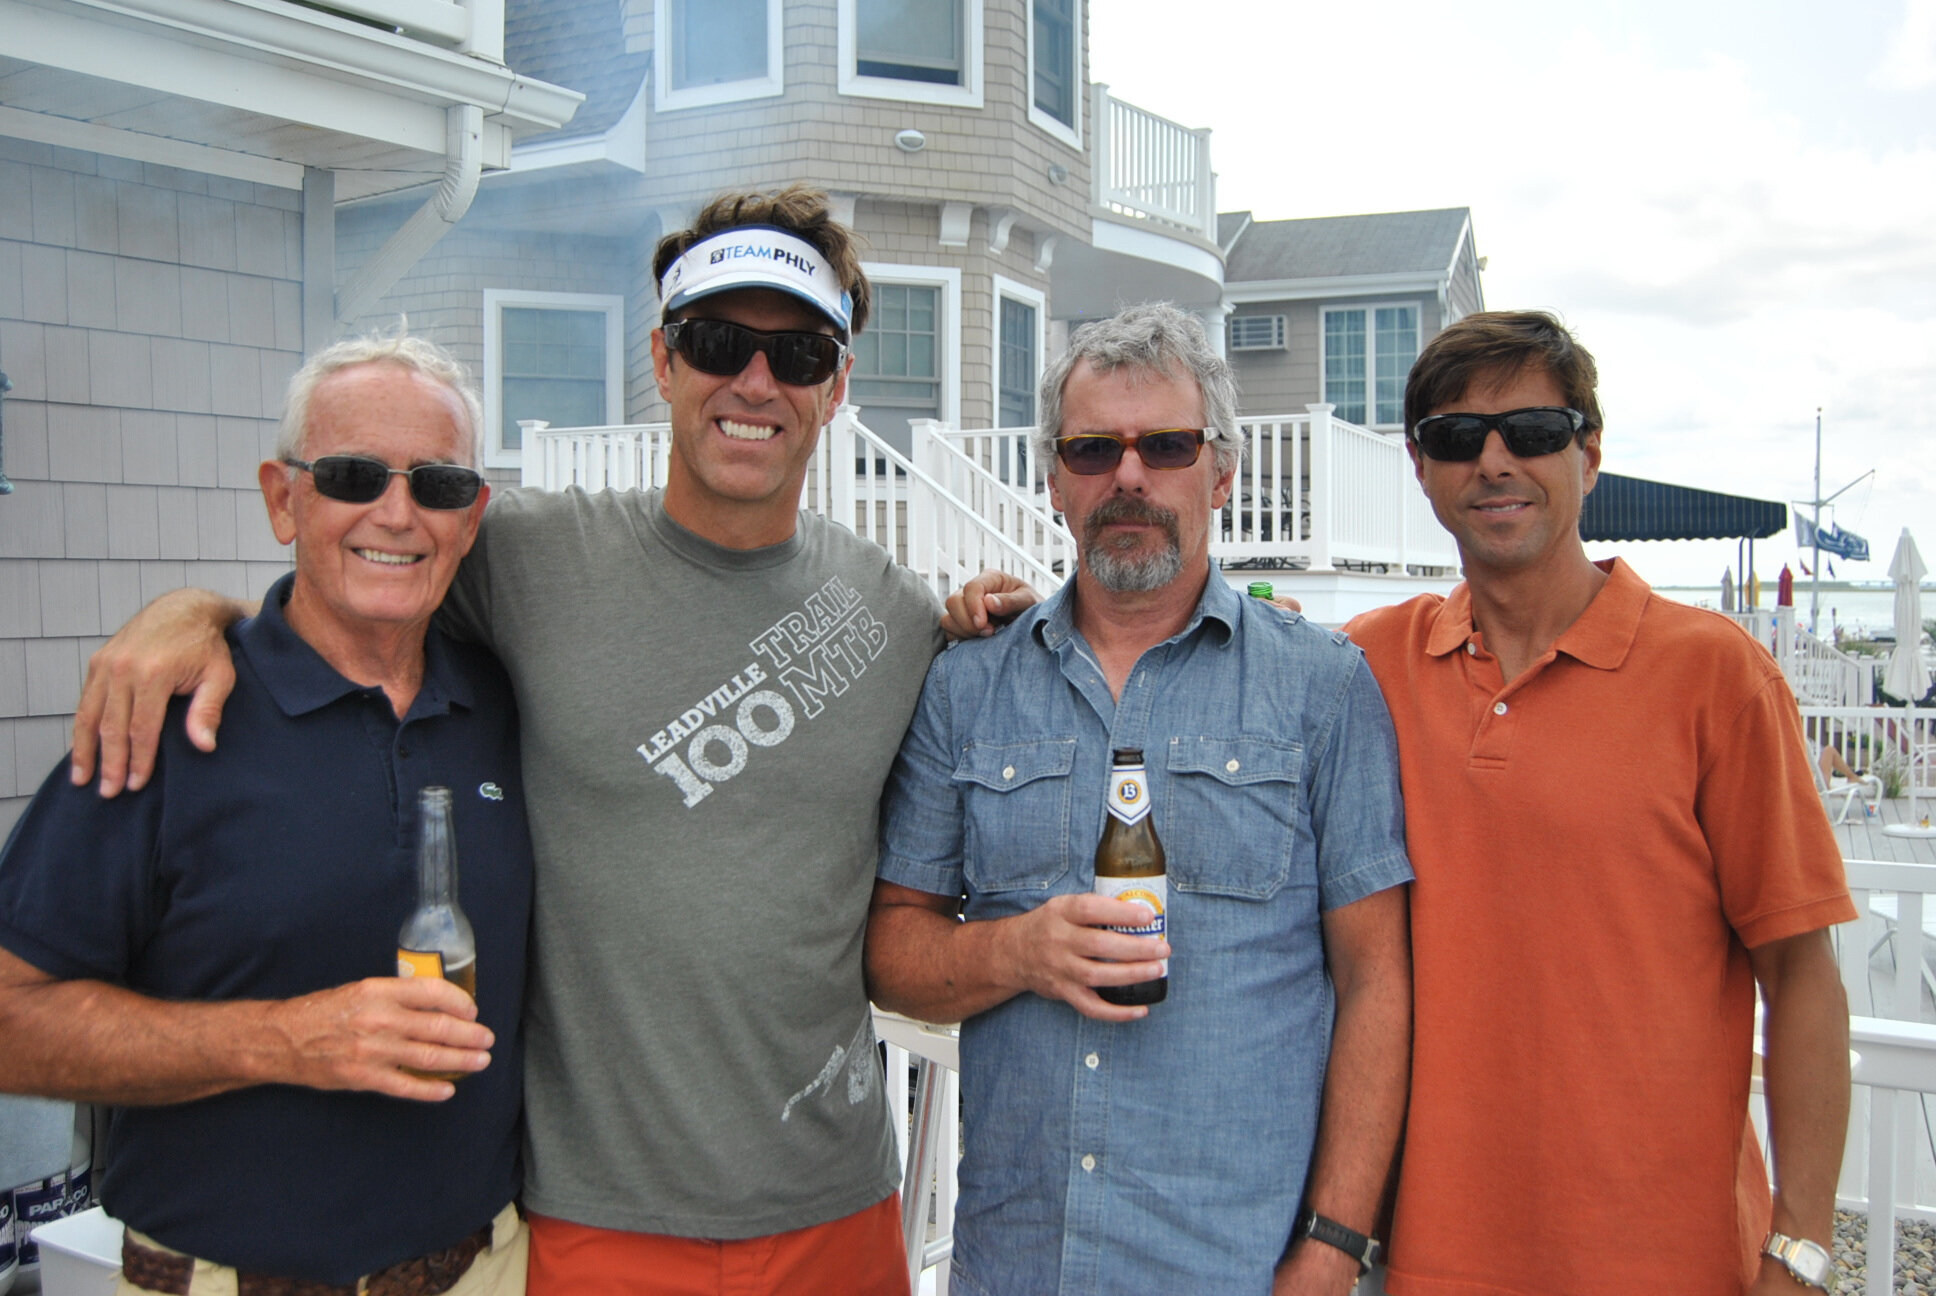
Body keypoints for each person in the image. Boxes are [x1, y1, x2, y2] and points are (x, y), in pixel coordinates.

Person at [62, 187, 1029, 1296]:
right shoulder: (522, 558)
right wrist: (199, 611)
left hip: (836, 1203)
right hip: (592, 1215)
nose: (754, 383)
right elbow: (365, 566)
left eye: (797, 353)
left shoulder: (898, 613)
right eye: (719, 343)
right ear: (664, 362)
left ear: (837, 384)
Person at [866, 302, 1415, 1296]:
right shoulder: (966, 684)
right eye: (1091, 450)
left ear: (1222, 470)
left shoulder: (1323, 687)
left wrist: (1334, 1250)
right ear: (1052, 478)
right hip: (1018, 1265)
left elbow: (1376, 980)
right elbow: (891, 950)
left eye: (1164, 445)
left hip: (1233, 1270)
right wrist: (1014, 951)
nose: (1127, 476)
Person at [0, 334, 531, 1294]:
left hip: (489, 1269)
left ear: (473, 516)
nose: (397, 513)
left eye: (439, 485)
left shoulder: (508, 704)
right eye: (353, 474)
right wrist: (286, 1041)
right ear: (284, 498)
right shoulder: (163, 721)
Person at [1342, 311, 1855, 1295]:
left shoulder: (1714, 675)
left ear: (1588, 453)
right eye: (1457, 438)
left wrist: (1798, 1246)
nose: (1494, 461)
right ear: (1421, 469)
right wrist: (993, 624)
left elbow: (1800, 976)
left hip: (1672, 1260)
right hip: (1425, 1262)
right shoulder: (1366, 664)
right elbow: (1190, 655)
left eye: (1531, 431)